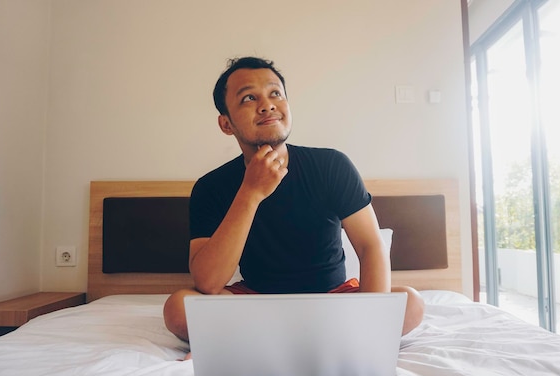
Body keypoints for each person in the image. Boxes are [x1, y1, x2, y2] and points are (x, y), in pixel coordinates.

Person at [163, 56, 424, 342]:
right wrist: (250, 193)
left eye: (275, 93)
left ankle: (263, 341)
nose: (267, 104)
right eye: (249, 97)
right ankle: (318, 339)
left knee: (410, 302)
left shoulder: (331, 165)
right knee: (178, 308)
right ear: (226, 124)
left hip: (332, 299)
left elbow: (370, 245)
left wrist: (369, 320)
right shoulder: (210, 187)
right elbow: (208, 283)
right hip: (257, 302)